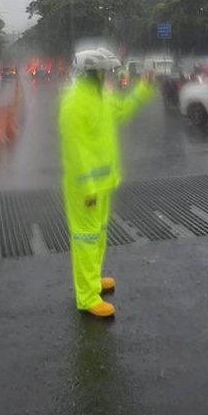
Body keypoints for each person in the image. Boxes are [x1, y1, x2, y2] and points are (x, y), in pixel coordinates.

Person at [58, 47, 154, 318]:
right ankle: (87, 297)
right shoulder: (75, 103)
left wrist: (143, 90)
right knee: (86, 239)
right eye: (103, 72)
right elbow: (74, 151)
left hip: (103, 183)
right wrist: (88, 188)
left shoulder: (101, 96)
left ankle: (94, 280)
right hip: (84, 187)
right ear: (91, 74)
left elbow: (122, 111)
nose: (107, 76)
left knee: (98, 235)